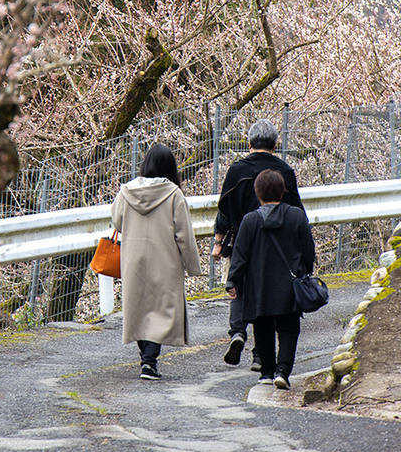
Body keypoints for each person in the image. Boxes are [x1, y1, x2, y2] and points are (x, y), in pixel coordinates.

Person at [211, 118, 303, 372]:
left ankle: (238, 332)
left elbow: (225, 211)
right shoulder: (284, 171)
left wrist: (218, 242)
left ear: (249, 144)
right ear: (275, 145)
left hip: (243, 239)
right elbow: (296, 210)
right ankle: (260, 356)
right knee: (271, 293)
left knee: (239, 287)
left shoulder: (236, 171)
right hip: (278, 246)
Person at [111, 143, 203, 380]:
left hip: (134, 259)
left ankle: (146, 359)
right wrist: (193, 266)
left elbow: (117, 222)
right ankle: (149, 362)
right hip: (165, 260)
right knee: (160, 310)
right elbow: (184, 234)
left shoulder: (126, 192)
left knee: (138, 308)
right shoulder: (174, 195)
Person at [225, 169, 316, 389]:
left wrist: (233, 281)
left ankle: (266, 372)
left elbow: (240, 255)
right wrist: (306, 272)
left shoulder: (250, 220)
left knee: (262, 328)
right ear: (283, 191)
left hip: (259, 286)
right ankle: (282, 372)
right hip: (289, 286)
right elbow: (308, 249)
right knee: (289, 329)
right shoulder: (296, 216)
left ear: (258, 194)